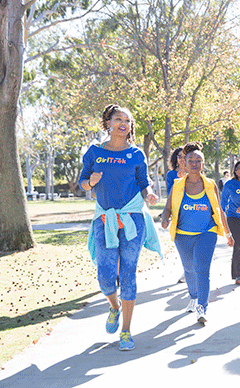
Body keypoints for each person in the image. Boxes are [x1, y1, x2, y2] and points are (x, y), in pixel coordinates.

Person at [79, 104, 162, 351]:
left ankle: (126, 331)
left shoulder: (136, 154)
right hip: (104, 218)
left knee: (128, 273)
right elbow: (83, 182)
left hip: (133, 218)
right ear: (108, 123)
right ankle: (113, 307)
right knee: (105, 276)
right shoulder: (94, 152)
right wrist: (89, 183)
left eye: (127, 120)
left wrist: (149, 194)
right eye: (118, 119)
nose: (123, 123)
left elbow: (143, 182)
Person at [161, 142, 234, 323]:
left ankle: (202, 308)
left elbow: (219, 210)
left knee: (202, 269)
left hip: (206, 233)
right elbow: (167, 208)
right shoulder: (177, 185)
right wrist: (164, 218)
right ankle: (193, 297)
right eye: (190, 160)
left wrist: (228, 233)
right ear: (184, 163)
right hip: (182, 235)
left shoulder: (210, 185)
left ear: (203, 164)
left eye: (198, 161)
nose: (194, 163)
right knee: (189, 269)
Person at [163, 146, 188, 284]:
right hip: (178, 213)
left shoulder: (194, 172)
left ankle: (189, 271)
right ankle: (187, 269)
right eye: (179, 156)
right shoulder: (171, 175)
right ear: (176, 159)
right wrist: (178, 181)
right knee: (182, 244)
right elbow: (169, 195)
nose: (182, 159)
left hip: (193, 211)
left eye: (185, 156)